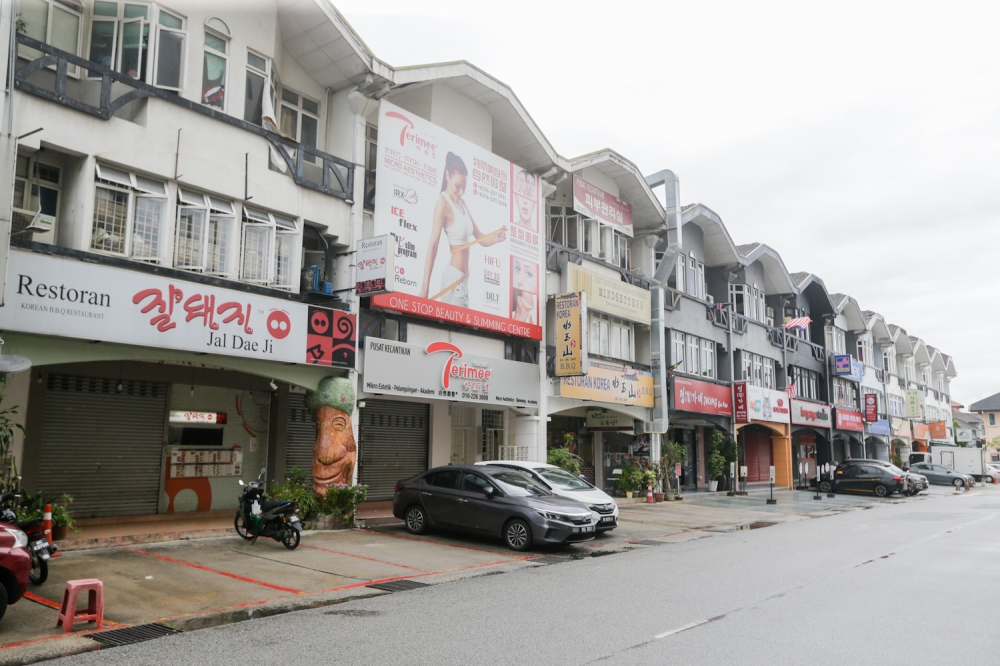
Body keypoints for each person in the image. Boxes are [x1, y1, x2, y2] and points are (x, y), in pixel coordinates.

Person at [420, 152, 507, 306]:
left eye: (464, 188)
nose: (460, 193)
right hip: (453, 281)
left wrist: (495, 237)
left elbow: (480, 237)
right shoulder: (443, 204)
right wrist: (425, 288)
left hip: (463, 280)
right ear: (447, 175)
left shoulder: (462, 204)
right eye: (457, 187)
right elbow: (433, 245)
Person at [511, 257, 537, 323]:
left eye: (528, 273)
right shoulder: (508, 317)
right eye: (518, 269)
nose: (519, 280)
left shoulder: (530, 320)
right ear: (520, 300)